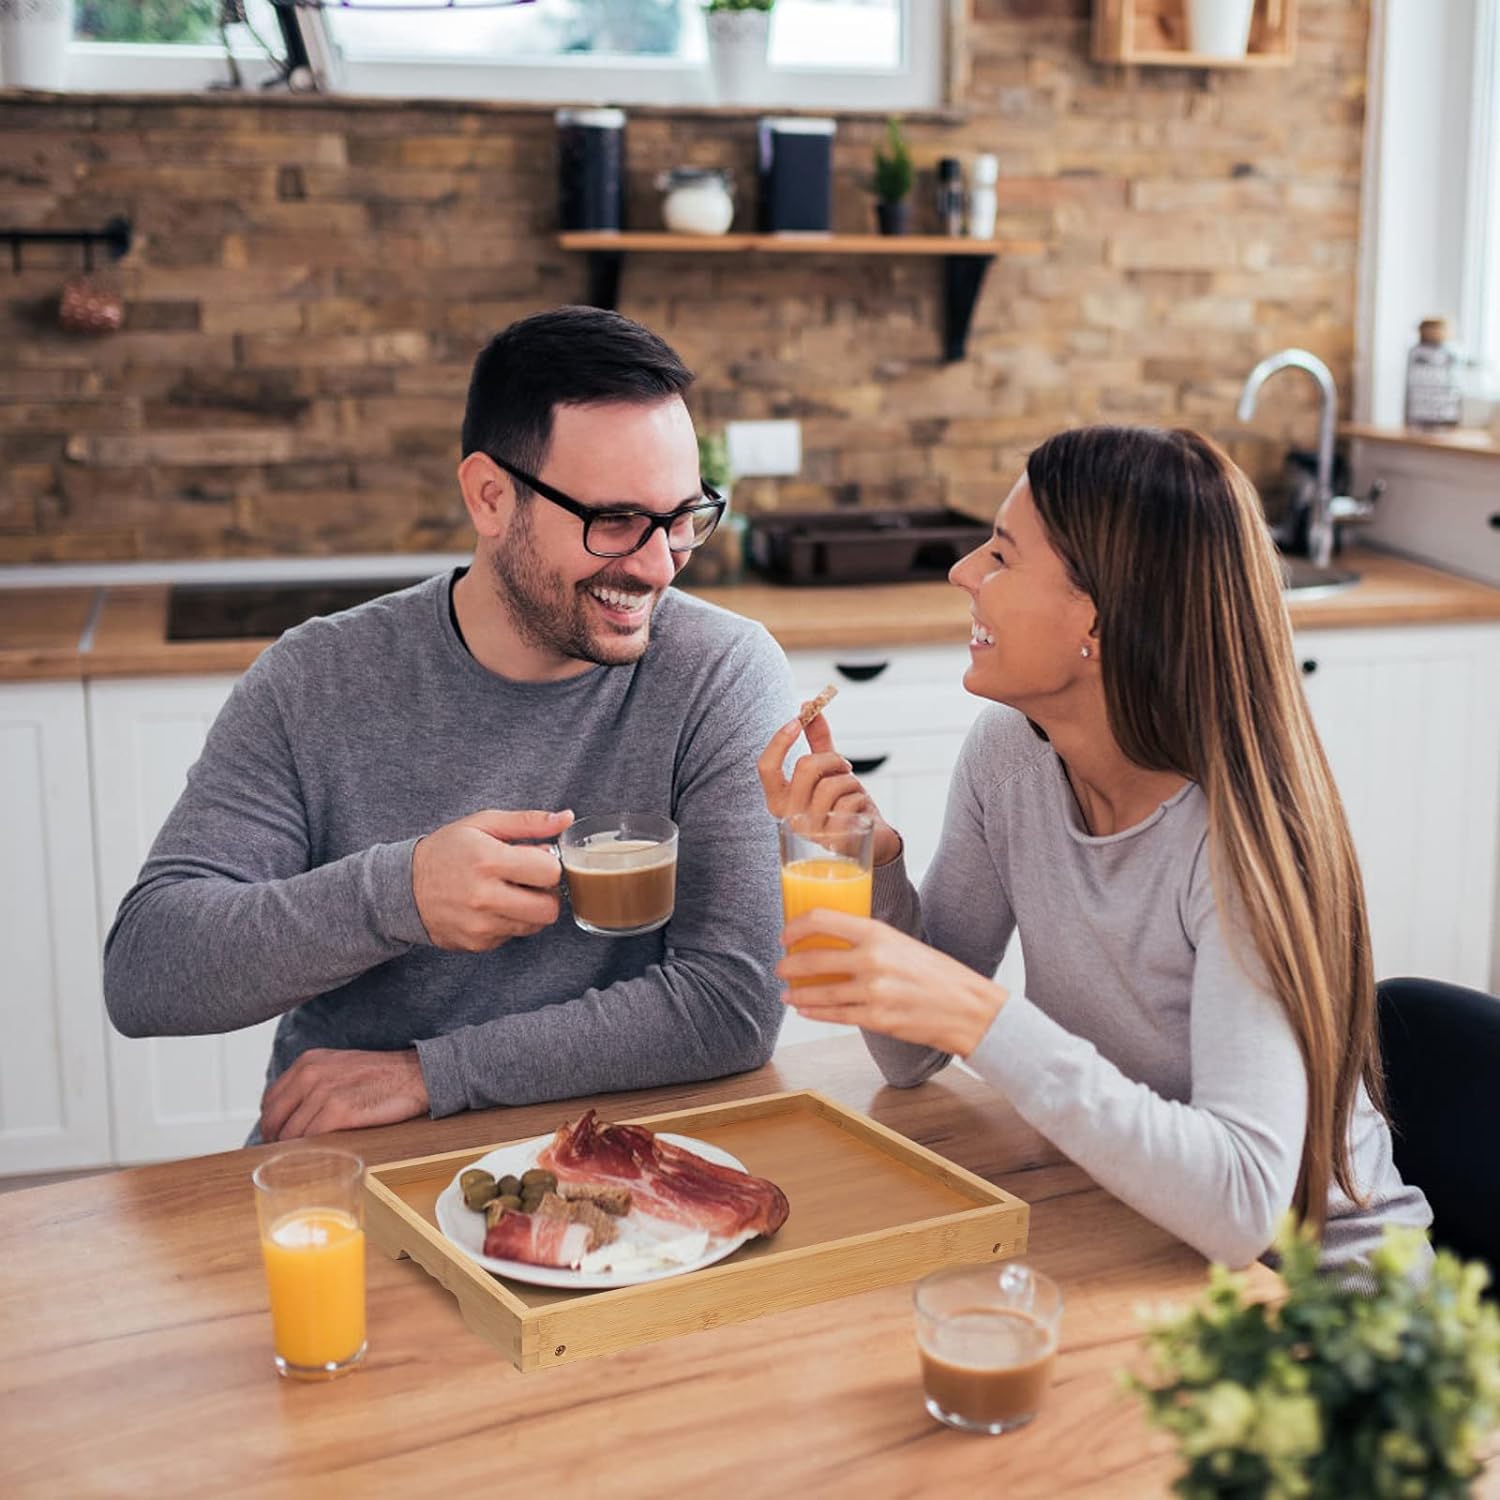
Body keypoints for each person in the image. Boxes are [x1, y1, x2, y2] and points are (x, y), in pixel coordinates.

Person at [105, 306, 795, 1142]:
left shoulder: (721, 672)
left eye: (682, 518)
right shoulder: (317, 678)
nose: (658, 564)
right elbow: (146, 974)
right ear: (490, 496)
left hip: (617, 1159)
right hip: (360, 1162)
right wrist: (399, 896)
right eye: (613, 521)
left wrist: (434, 1074)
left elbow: (731, 1002)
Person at [758, 425, 1431, 1271]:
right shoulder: (1010, 756)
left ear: (1102, 618)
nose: (963, 572)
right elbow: (908, 1057)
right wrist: (870, 862)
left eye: (1002, 557)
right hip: (1146, 1241)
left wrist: (981, 1015)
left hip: (1323, 1316)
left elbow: (1244, 1210)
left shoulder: (1244, 841)